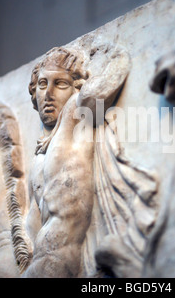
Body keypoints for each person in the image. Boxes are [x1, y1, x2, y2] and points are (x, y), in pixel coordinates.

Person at [23, 46, 130, 277]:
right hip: (39, 262)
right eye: (42, 84)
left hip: (59, 262)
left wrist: (116, 55)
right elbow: (31, 224)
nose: (48, 93)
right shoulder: (39, 158)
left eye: (59, 84)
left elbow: (97, 94)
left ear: (75, 88)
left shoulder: (76, 112)